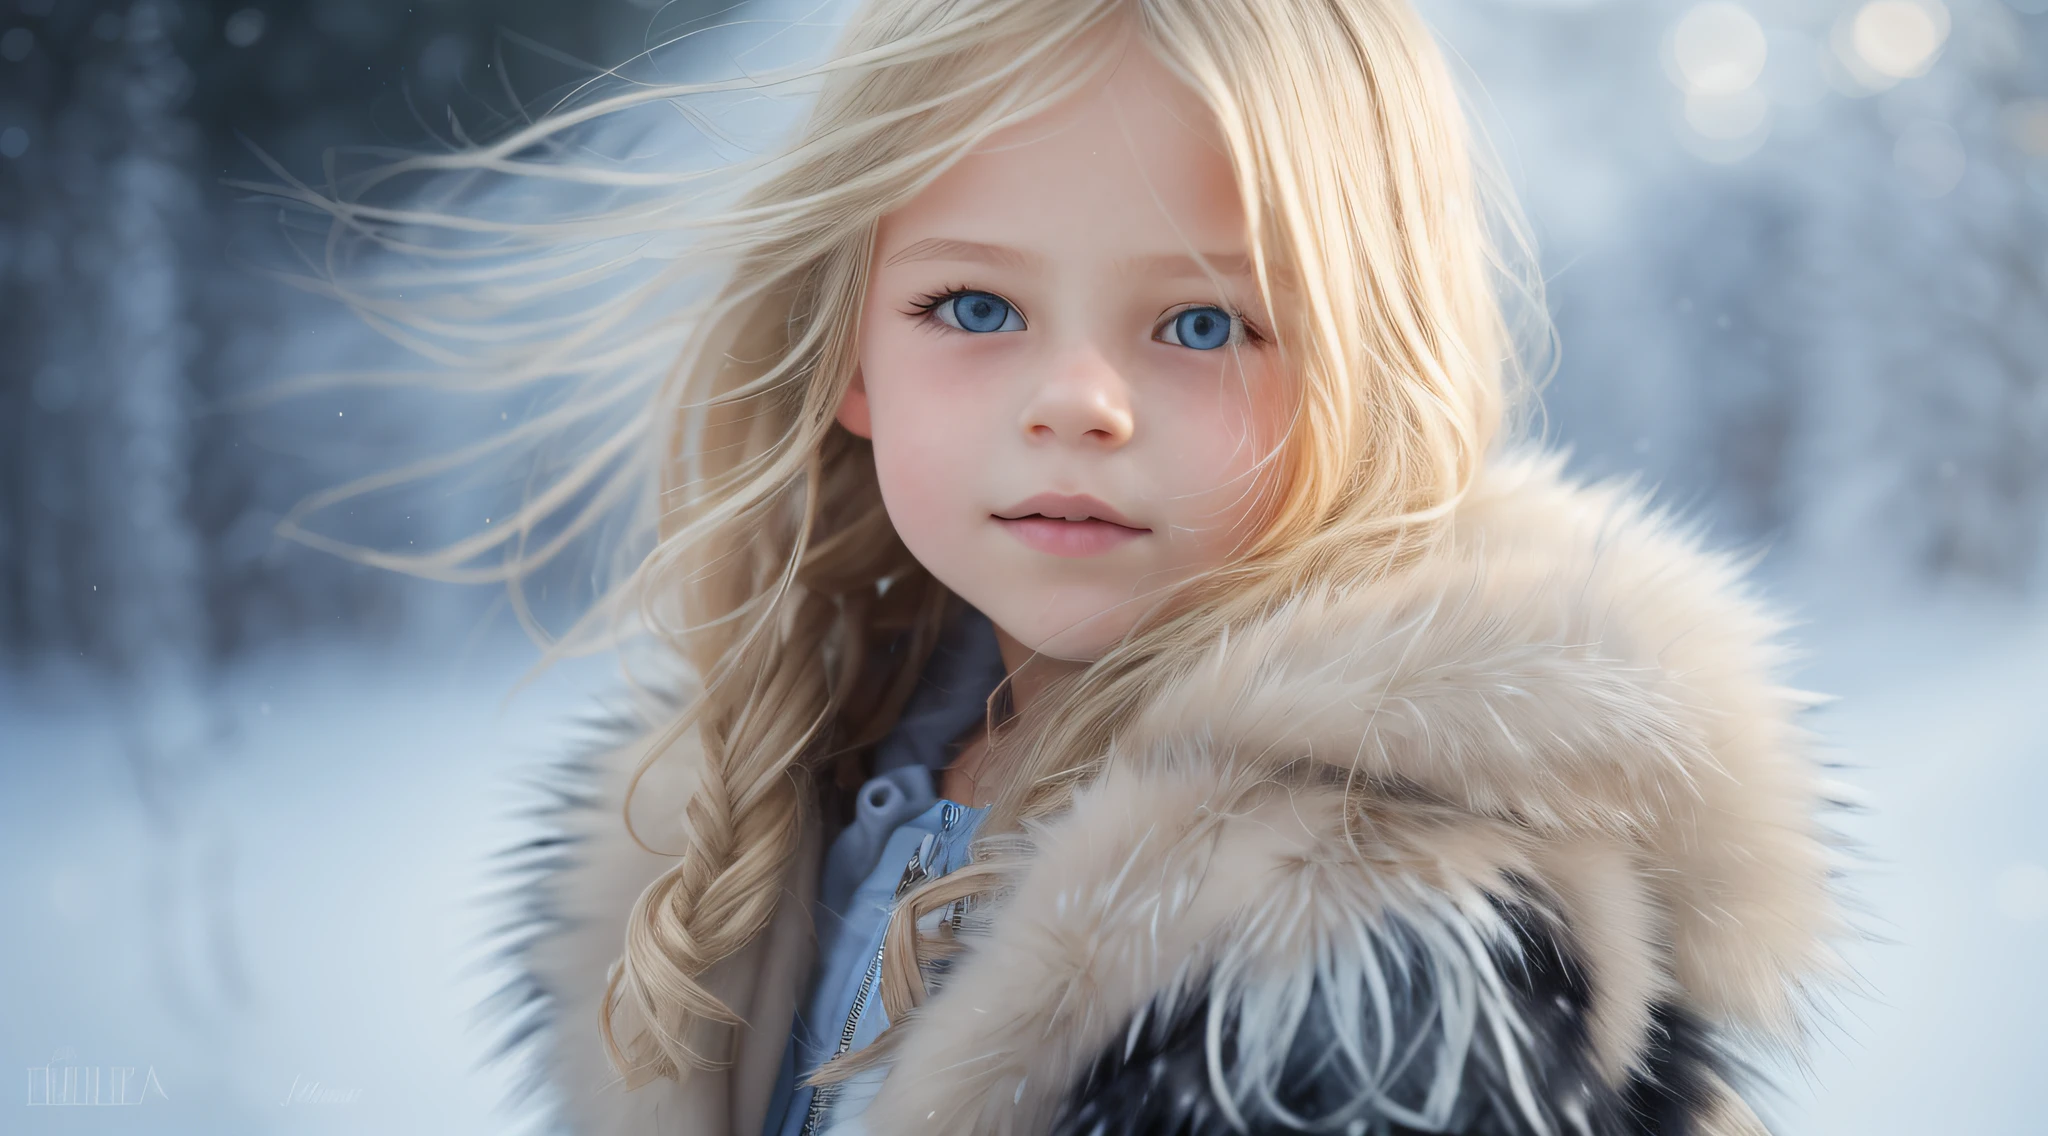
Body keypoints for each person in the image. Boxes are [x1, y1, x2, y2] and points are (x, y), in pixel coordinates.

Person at [423, 1, 1848, 1133]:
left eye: (1206, 325)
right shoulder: (796, 796)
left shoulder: (1365, 954)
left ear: (1374, 379)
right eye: (974, 304)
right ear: (849, 353)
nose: (1080, 402)